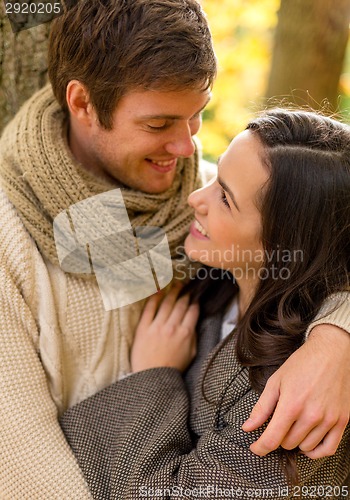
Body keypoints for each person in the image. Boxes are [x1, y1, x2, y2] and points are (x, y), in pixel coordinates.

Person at [0, 0, 348, 497]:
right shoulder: (11, 246)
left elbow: (322, 245)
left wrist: (338, 339)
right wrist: (156, 378)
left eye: (197, 116)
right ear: (81, 103)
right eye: (159, 124)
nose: (188, 151)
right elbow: (28, 471)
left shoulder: (219, 215)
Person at [60, 109, 350, 499]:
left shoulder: (295, 398)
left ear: (283, 243)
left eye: (225, 199)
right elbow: (69, 226)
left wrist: (153, 376)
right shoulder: (213, 272)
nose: (196, 197)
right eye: (215, 177)